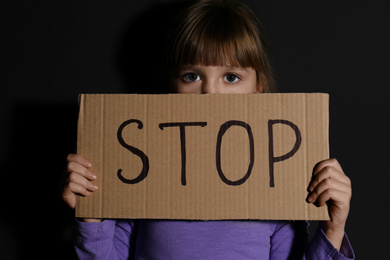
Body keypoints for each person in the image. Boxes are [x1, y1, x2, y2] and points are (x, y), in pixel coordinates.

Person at [63, 0, 355, 259]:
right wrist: (93, 216)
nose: (210, 93)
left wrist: (333, 228)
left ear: (257, 89)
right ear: (170, 88)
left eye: (231, 77)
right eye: (192, 75)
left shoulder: (277, 180)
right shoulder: (139, 174)